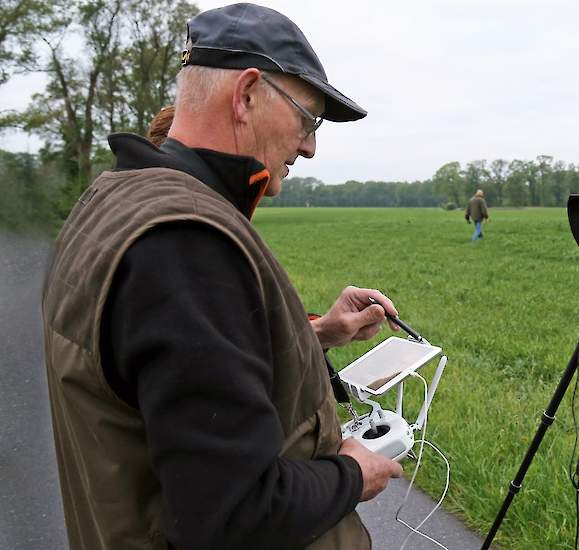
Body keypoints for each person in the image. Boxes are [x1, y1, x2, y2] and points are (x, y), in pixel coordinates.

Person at [41, 4, 403, 549]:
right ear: (247, 94)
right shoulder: (186, 243)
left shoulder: (115, 200)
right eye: (308, 120)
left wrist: (320, 332)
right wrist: (352, 474)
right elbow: (231, 514)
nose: (309, 146)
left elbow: (177, 366)